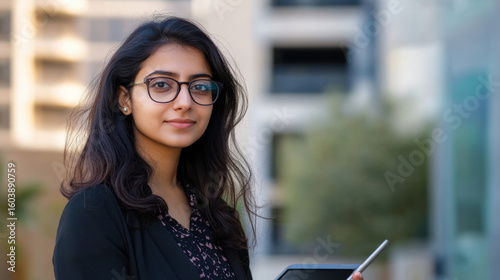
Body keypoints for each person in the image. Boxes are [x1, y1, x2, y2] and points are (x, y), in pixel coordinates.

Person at [52, 16, 365, 280]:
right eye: (162, 85)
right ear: (124, 99)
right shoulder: (93, 212)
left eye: (200, 86)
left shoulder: (219, 215)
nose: (185, 102)